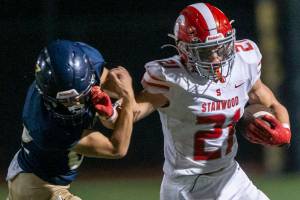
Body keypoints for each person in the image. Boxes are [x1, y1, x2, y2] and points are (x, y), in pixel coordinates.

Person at [132, 2, 291, 200]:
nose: (217, 59)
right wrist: (114, 109)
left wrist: (284, 129)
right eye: (206, 51)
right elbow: (131, 112)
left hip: (231, 176)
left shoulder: (243, 62)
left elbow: (272, 104)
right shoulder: (173, 79)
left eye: (222, 48)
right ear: (185, 50)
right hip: (188, 186)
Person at [6, 40, 135, 200]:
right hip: (37, 186)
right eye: (65, 101)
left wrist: (111, 115)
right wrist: (128, 99)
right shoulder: (47, 128)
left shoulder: (88, 63)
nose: (75, 104)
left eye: (78, 97)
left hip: (37, 176)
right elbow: (116, 148)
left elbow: (113, 84)